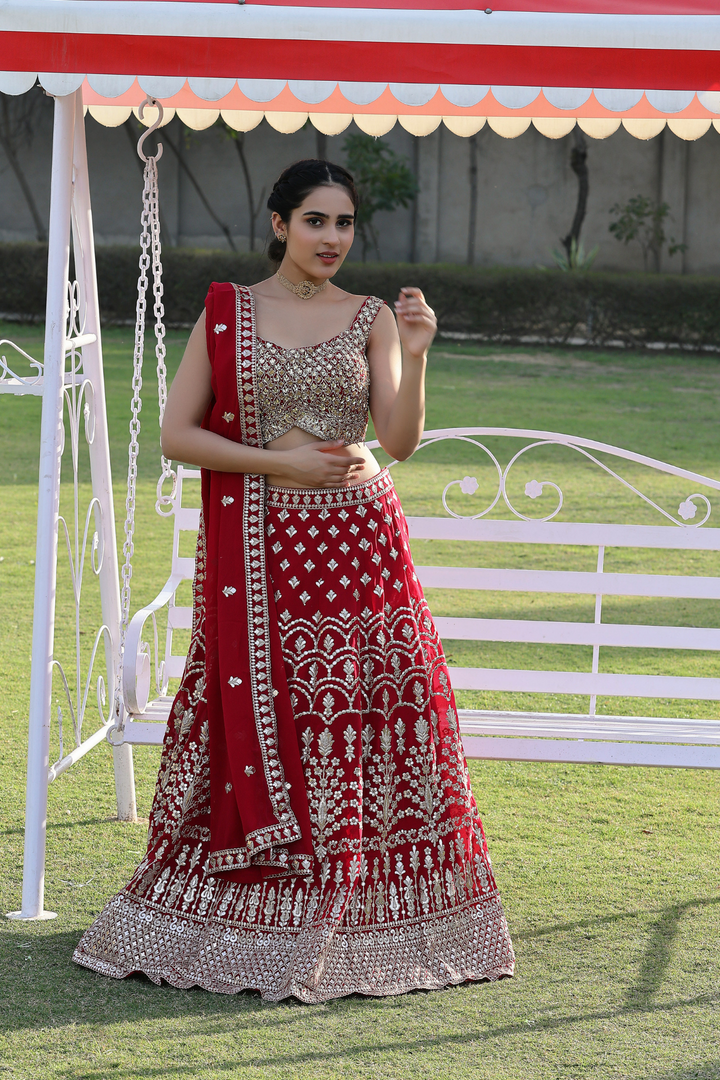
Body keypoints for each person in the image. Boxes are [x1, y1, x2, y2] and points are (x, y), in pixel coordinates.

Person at [73, 159, 515, 1002]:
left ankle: (371, 892)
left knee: (361, 703)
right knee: (277, 697)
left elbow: (399, 438)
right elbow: (176, 434)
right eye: (316, 222)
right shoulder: (227, 312)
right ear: (280, 224)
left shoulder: (374, 317)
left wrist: (417, 357)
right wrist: (277, 465)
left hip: (361, 546)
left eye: (344, 225)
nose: (332, 241)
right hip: (264, 544)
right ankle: (256, 888)